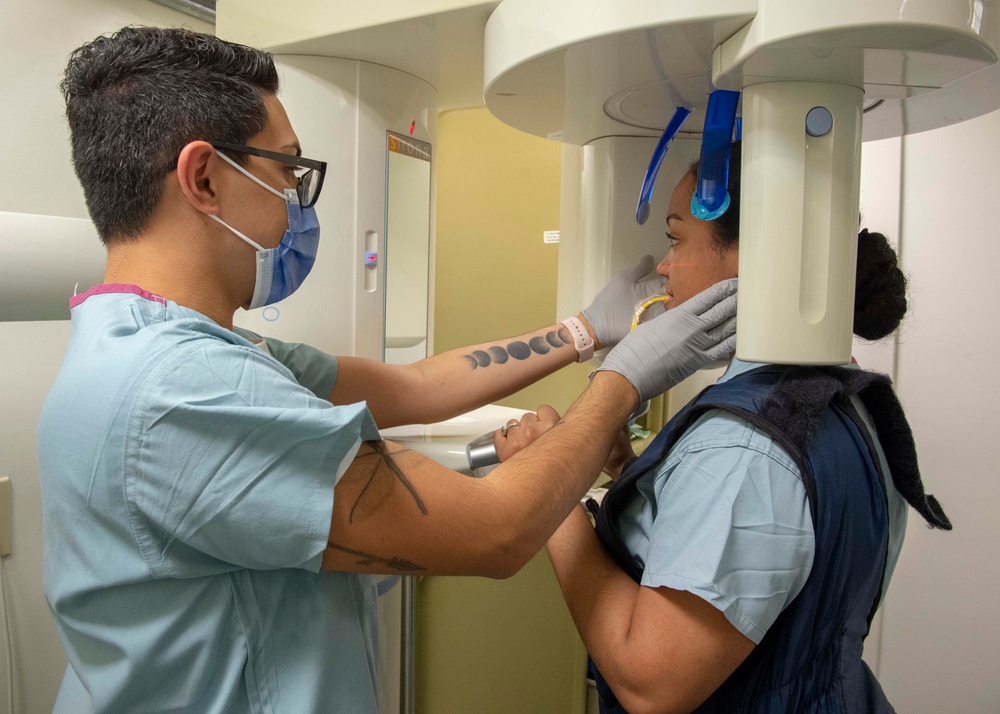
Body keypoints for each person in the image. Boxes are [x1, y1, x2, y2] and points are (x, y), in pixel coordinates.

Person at [38, 26, 738, 713]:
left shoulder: (159, 348)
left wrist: (583, 331)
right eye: (287, 170)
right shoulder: (184, 390)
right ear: (204, 178)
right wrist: (622, 379)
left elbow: (416, 387)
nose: (295, 202)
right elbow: (495, 532)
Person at [499, 143, 952, 714]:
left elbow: (649, 684)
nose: (662, 268)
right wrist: (629, 466)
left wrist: (552, 493)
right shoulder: (842, 395)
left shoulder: (743, 449)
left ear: (750, 258)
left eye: (675, 239)